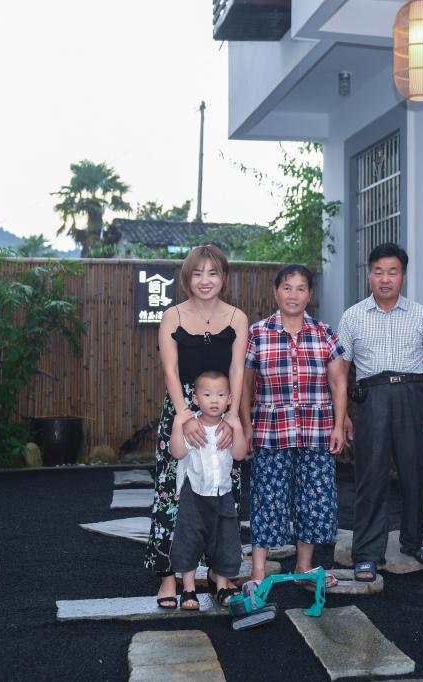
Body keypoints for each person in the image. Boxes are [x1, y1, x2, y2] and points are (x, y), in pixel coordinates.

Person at [145, 245, 249, 609]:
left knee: (224, 491)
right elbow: (170, 371)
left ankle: (221, 575)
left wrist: (233, 416)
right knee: (172, 493)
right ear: (187, 278)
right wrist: (184, 415)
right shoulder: (172, 316)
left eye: (213, 273)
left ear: (224, 277)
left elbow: (237, 370)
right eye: (198, 273)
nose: (205, 280)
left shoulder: (237, 317)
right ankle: (168, 576)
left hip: (222, 409)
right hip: (181, 412)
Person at [337, 243, 423, 582]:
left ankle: (413, 541)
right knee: (371, 477)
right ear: (369, 275)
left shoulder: (421, 315)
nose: (385, 279)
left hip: (413, 396)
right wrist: (343, 416)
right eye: (378, 272)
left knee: (416, 473)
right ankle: (367, 553)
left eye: (392, 272)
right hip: (372, 398)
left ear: (403, 276)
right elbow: (340, 371)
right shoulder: (352, 316)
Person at [240, 264, 349, 589]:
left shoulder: (325, 333)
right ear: (276, 292)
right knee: (267, 498)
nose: (293, 295)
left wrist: (339, 425)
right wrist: (246, 424)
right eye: (287, 287)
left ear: (310, 295)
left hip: (317, 431)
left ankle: (304, 567)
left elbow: (338, 382)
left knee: (313, 498)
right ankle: (258, 572)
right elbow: (245, 385)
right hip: (271, 431)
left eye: (301, 288)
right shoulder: (258, 333)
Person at [170, 370, 249, 610]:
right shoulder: (192, 426)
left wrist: (238, 427)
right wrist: (178, 424)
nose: (214, 400)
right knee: (189, 539)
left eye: (220, 395)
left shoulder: (228, 427)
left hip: (222, 495)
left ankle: (222, 586)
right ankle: (188, 589)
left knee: (225, 540)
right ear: (195, 399)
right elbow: (178, 453)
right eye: (207, 395)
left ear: (229, 399)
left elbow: (239, 455)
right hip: (194, 495)